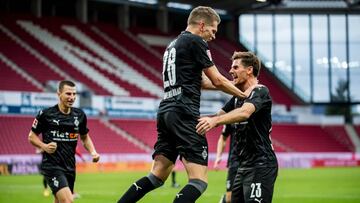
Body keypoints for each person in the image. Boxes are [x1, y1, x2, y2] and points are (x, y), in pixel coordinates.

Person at [117, 6, 253, 203]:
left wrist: (232, 84)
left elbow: (201, 82)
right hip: (184, 112)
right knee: (199, 180)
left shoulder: (173, 45)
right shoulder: (196, 41)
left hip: (166, 111)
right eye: (213, 30)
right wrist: (243, 94)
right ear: (201, 25)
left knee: (157, 175)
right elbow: (216, 80)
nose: (214, 36)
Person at [196, 51, 278, 203]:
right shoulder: (237, 98)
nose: (230, 71)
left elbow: (245, 113)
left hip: (261, 164)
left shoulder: (261, 91)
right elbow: (215, 116)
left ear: (249, 70)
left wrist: (215, 121)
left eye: (235, 67)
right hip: (242, 166)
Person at [28, 80, 100, 203]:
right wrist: (44, 146)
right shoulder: (46, 114)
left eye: (74, 94)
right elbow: (31, 136)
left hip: (70, 166)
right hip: (52, 166)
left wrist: (93, 152)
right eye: (68, 94)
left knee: (58, 200)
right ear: (59, 94)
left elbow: (85, 137)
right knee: (68, 201)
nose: (72, 97)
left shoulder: (79, 115)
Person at [213, 124, 238, 203]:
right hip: (234, 161)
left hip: (252, 162)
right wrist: (218, 157)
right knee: (229, 198)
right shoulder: (231, 119)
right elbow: (223, 138)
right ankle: (224, 199)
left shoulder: (255, 117)